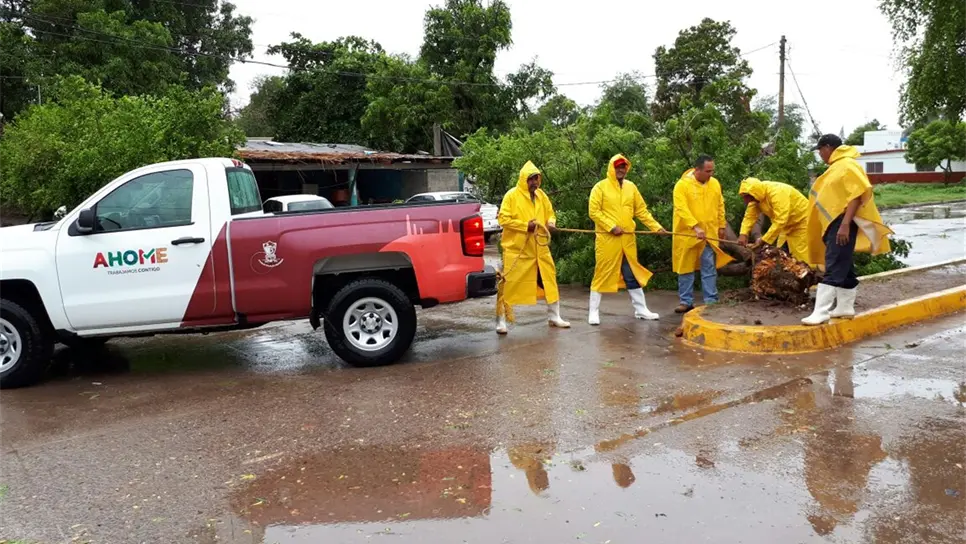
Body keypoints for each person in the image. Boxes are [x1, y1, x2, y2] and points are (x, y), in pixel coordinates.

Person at [802, 134, 893, 325]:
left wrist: (844, 224)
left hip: (842, 222)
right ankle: (845, 307)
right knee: (844, 265)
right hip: (834, 223)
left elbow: (857, 195)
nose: (820, 154)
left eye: (820, 150)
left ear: (828, 147)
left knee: (834, 264)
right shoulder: (837, 167)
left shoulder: (847, 165)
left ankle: (821, 312)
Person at [587, 154, 666, 325]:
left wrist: (656, 227)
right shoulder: (600, 188)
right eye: (617, 166)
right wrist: (611, 226)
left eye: (623, 166)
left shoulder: (631, 187)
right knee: (602, 274)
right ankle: (593, 312)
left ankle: (641, 310)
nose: (621, 169)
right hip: (608, 241)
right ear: (611, 168)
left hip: (628, 240)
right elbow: (594, 212)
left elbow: (642, 211)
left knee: (632, 274)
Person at [495, 161, 570, 334]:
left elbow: (550, 213)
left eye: (536, 179)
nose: (534, 182)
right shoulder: (511, 196)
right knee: (508, 285)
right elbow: (503, 219)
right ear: (523, 180)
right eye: (531, 179)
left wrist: (550, 223)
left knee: (549, 282)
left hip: (540, 249)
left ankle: (554, 316)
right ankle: (501, 320)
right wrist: (524, 226)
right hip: (518, 250)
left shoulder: (541, 196)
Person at [671, 155, 734, 313]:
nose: (711, 174)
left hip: (709, 235)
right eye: (708, 171)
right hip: (687, 235)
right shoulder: (682, 185)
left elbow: (720, 205)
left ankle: (711, 301)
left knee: (709, 267)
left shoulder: (714, 184)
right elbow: (681, 208)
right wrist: (695, 227)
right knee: (685, 268)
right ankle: (686, 301)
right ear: (697, 170)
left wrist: (721, 225)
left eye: (712, 170)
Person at [737, 177, 811, 263]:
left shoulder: (777, 192)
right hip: (786, 227)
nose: (746, 201)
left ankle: (811, 275)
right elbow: (749, 217)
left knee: (801, 257)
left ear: (754, 193)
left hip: (802, 223)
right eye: (745, 197)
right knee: (780, 254)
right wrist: (743, 234)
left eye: (748, 197)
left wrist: (764, 240)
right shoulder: (756, 199)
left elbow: (781, 219)